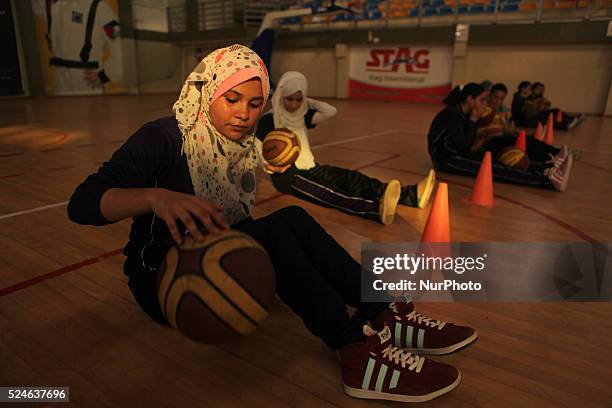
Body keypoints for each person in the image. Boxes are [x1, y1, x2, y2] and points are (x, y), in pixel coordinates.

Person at [67, 45, 477, 403]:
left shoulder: (242, 144)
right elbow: (81, 203)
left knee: (291, 218)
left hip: (213, 253)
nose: (244, 115)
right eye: (232, 100)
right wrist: (154, 196)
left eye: (253, 103)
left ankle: (384, 311)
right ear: (207, 89)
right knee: (277, 232)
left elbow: (240, 218)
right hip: (165, 277)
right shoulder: (164, 137)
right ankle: (354, 348)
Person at [255, 71, 436, 226]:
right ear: (280, 94)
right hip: (289, 176)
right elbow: (256, 150)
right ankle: (375, 209)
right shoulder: (268, 120)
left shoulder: (302, 115)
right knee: (330, 192)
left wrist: (307, 101)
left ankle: (411, 195)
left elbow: (330, 111)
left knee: (351, 177)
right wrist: (268, 165)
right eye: (289, 99)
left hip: (312, 167)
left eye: (298, 99)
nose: (294, 104)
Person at [427, 83, 573, 191]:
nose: (485, 103)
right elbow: (464, 145)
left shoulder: (466, 114)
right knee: (495, 169)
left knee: (500, 160)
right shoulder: (452, 114)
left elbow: (469, 144)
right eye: (482, 100)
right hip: (446, 160)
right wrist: (474, 120)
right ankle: (548, 182)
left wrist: (475, 124)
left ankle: (546, 168)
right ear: (470, 100)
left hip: (458, 153)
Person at [46, 0, 123, 95]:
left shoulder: (99, 8)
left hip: (87, 86)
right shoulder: (56, 8)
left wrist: (106, 75)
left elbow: (120, 41)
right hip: (61, 86)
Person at [516, 82, 581, 131]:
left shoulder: (527, 97)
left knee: (555, 111)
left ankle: (569, 121)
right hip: (524, 120)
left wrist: (543, 104)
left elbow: (536, 109)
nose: (530, 90)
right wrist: (537, 103)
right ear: (522, 89)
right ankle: (566, 125)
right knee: (544, 121)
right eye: (529, 88)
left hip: (532, 116)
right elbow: (527, 109)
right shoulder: (519, 98)